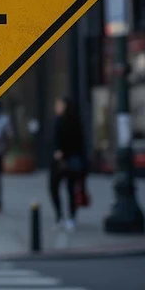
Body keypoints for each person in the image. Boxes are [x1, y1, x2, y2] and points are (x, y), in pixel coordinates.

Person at [50, 96, 87, 230]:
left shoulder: (69, 122)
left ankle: (67, 217)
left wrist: (60, 152)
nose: (56, 107)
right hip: (66, 161)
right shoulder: (59, 120)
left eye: (59, 105)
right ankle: (64, 217)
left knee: (69, 189)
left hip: (67, 161)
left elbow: (79, 143)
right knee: (61, 188)